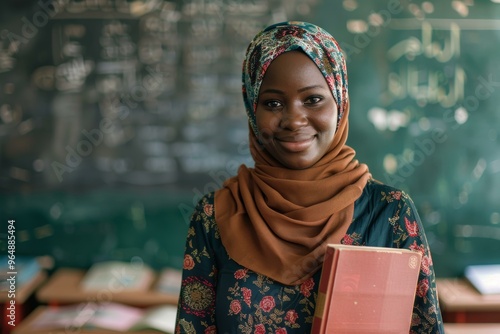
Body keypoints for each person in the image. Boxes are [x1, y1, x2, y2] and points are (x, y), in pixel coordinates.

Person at [175, 21, 444, 333]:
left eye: (313, 99)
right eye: (273, 103)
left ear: (340, 102)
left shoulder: (390, 214)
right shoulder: (216, 215)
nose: (294, 119)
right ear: (252, 109)